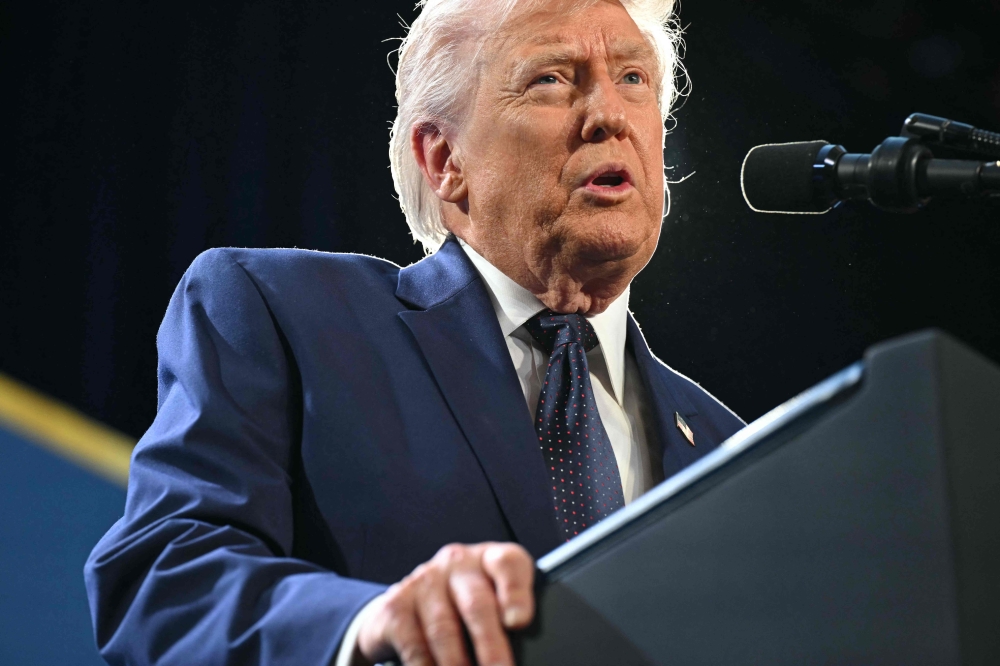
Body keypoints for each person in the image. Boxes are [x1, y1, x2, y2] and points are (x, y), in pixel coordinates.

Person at [85, 0, 744, 664]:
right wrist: (367, 623)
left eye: (632, 78)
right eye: (550, 79)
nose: (610, 115)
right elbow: (164, 586)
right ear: (444, 158)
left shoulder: (731, 447)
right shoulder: (283, 316)